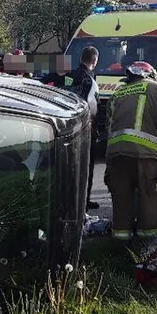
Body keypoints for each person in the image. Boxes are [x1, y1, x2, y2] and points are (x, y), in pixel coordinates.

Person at [104, 61, 157, 244]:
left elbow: (108, 127)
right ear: (150, 75)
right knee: (148, 197)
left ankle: (120, 244)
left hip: (115, 154)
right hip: (145, 153)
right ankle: (147, 244)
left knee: (121, 198)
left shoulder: (116, 94)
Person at [71, 46, 100, 210]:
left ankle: (78, 200)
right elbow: (90, 106)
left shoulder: (71, 75)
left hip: (70, 127)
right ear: (94, 61)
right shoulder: (89, 80)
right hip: (86, 128)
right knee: (86, 167)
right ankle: (84, 201)